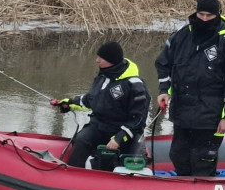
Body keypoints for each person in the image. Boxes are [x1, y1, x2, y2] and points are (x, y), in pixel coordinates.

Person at [156, 0, 225, 176]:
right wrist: (164, 90)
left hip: (210, 116)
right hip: (182, 111)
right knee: (178, 155)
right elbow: (163, 63)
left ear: (217, 15)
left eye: (209, 16)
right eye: (201, 14)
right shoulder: (181, 36)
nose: (204, 19)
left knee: (202, 160)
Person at [51, 40, 150, 169]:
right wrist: (69, 103)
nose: (97, 60)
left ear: (112, 60)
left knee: (112, 155)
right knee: (81, 140)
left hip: (120, 130)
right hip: (99, 126)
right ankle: (74, 174)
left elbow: (139, 119)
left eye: (100, 58)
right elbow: (91, 100)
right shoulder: (103, 76)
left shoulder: (134, 85)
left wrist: (120, 137)